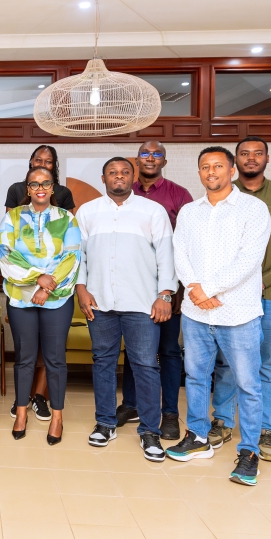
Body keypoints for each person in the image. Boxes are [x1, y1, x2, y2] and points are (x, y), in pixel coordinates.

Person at [165, 146, 271, 487]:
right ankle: (197, 437)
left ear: (231, 170)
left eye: (218, 166)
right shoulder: (189, 212)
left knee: (248, 385)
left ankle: (249, 452)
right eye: (205, 167)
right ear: (199, 172)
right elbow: (179, 253)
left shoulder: (253, 209)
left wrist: (207, 289)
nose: (211, 171)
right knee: (196, 378)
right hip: (195, 313)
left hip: (238, 312)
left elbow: (249, 260)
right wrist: (194, 290)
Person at [208, 136, 271, 461]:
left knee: (267, 365)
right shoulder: (221, 195)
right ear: (234, 161)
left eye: (258, 153)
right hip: (231, 296)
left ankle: (265, 428)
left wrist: (265, 279)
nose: (251, 158)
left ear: (267, 158)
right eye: (244, 153)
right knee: (227, 362)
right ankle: (223, 421)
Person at [75, 158, 176, 461]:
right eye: (112, 173)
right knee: (103, 363)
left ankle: (150, 431)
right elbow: (78, 255)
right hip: (99, 302)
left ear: (133, 177)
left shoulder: (153, 211)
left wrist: (165, 295)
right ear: (103, 178)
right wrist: (81, 289)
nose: (118, 176)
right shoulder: (88, 211)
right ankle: (105, 423)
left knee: (146, 366)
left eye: (124, 172)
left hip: (142, 303)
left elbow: (167, 256)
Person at [0, 166, 80, 446]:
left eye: (46, 183)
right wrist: (37, 280)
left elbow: (73, 258)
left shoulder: (67, 218)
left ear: (53, 187)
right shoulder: (12, 217)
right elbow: (5, 255)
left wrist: (46, 287)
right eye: (34, 184)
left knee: (55, 359)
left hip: (57, 298)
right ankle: (21, 412)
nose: (40, 188)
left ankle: (57, 417)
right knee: (24, 358)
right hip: (21, 298)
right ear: (28, 189)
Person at [121, 140, 194, 440]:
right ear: (137, 160)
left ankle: (170, 413)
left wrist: (176, 289)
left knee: (168, 350)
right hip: (133, 285)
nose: (150, 158)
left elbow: (189, 242)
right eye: (145, 153)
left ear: (164, 161)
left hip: (168, 288)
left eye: (157, 154)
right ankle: (131, 405)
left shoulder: (179, 195)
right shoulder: (125, 192)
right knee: (134, 349)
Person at [3, 145, 76, 211]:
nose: (42, 165)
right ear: (32, 161)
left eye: (48, 162)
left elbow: (69, 220)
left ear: (53, 165)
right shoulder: (15, 189)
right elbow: (9, 220)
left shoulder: (64, 192)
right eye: (38, 160)